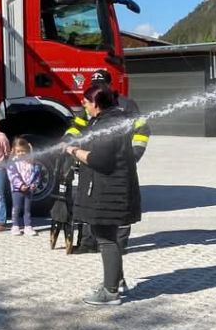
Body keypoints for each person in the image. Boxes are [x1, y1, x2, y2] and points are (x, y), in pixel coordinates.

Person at [65, 84, 142, 306]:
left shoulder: (109, 124)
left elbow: (101, 160)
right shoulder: (107, 120)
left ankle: (110, 292)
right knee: (109, 238)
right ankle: (116, 281)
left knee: (106, 239)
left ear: (96, 104)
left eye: (86, 101)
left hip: (109, 192)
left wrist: (73, 151)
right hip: (110, 190)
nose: (84, 105)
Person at [68, 68, 152, 256]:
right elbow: (77, 127)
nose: (98, 88)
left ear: (109, 84)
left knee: (118, 202)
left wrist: (134, 154)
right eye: (95, 85)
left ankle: (118, 245)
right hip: (91, 162)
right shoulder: (90, 102)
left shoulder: (126, 105)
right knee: (90, 202)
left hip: (117, 164)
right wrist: (68, 140)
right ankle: (88, 243)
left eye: (101, 84)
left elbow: (142, 129)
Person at [6, 136, 41, 237]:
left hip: (29, 190)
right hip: (17, 190)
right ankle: (15, 226)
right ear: (14, 151)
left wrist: (34, 184)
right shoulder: (12, 163)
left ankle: (28, 226)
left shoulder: (32, 163)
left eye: (23, 151)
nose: (21, 153)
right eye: (18, 151)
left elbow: (37, 175)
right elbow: (12, 176)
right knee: (16, 208)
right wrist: (20, 185)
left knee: (27, 209)